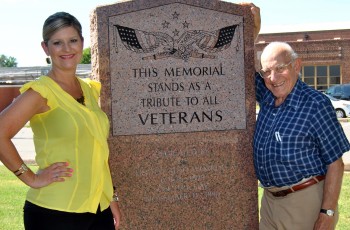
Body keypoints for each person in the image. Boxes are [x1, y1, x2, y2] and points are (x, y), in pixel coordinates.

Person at [0, 12, 121, 230]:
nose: (67, 49)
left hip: (98, 210)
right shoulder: (41, 92)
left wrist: (111, 197)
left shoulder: (89, 90)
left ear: (82, 43)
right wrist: (30, 178)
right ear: (46, 48)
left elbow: (98, 151)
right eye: (58, 43)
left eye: (73, 41)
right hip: (54, 213)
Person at [255, 41, 350, 229]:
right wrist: (253, 27)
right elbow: (239, 60)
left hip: (304, 203)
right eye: (266, 71)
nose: (273, 78)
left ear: (296, 65)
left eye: (280, 68)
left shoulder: (315, 105)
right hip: (269, 202)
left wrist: (327, 212)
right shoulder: (267, 94)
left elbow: (335, 163)